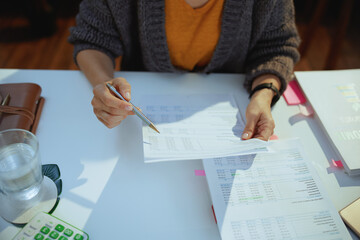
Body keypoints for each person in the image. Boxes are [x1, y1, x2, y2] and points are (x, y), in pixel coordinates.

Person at [68, 0, 300, 141]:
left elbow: (277, 46)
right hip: (136, 120)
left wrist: (264, 93)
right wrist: (104, 83)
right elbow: (93, 39)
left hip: (233, 104)